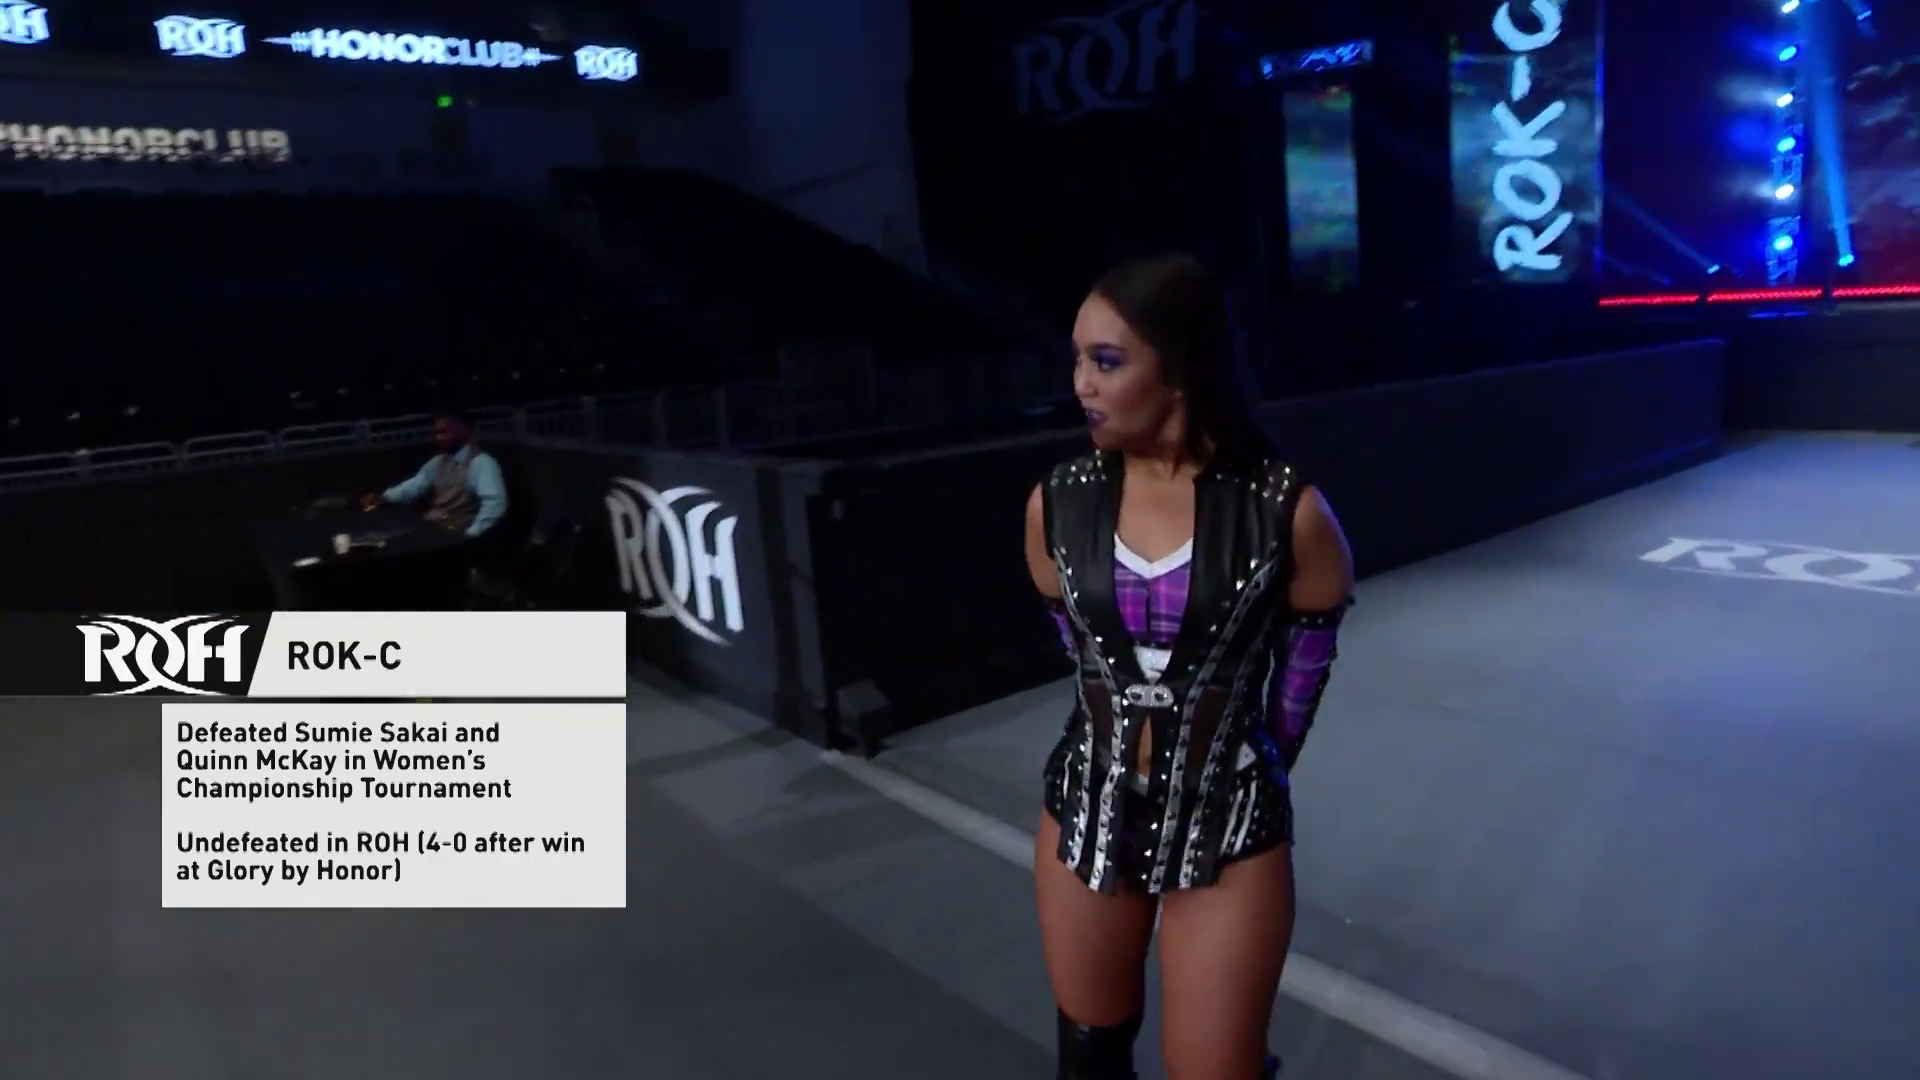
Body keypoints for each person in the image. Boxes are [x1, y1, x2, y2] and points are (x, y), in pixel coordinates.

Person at [1025, 254, 1354, 1080]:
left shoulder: (1288, 512)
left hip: (1230, 826)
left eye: (1106, 361)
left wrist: (1226, 770)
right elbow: (1082, 660)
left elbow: (1296, 698)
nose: (1081, 384)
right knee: (1089, 1055)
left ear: (1180, 371)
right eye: (1077, 358)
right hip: (1090, 805)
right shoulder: (1057, 503)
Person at [362, 412, 508, 540]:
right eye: (436, 433)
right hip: (432, 527)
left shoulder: (481, 462)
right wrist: (383, 497)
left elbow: (495, 504)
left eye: (444, 432)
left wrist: (471, 534)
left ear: (464, 430)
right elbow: (415, 485)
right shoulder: (438, 462)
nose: (438, 438)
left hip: (456, 532)